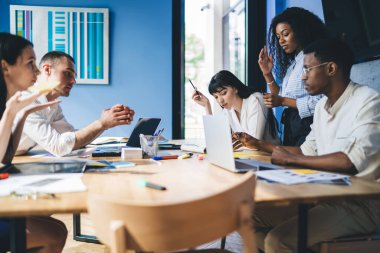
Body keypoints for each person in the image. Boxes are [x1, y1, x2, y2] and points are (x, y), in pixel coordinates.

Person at [235, 38, 380, 253]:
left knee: (278, 240)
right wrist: (258, 144)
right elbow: (305, 151)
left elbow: (350, 162)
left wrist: (292, 159)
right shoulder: (322, 106)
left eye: (308, 69)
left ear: (331, 68)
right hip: (323, 195)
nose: (303, 76)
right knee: (245, 217)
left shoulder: (368, 101)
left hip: (361, 204)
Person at [0, 32, 67, 253]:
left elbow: (5, 158)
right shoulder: (5, 108)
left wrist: (22, 114)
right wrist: (11, 113)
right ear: (5, 67)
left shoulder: (7, 104)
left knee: (58, 228)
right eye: (30, 63)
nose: (37, 71)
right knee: (53, 235)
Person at [16, 51, 135, 157]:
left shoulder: (53, 105)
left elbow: (73, 138)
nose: (73, 81)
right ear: (47, 70)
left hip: (19, 158)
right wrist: (101, 123)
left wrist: (106, 123)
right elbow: (59, 147)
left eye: (74, 76)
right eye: (68, 73)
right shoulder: (26, 101)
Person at [259, 7, 329, 146]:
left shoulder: (314, 59)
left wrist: (283, 100)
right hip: (292, 125)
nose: (281, 41)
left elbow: (321, 101)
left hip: (308, 124)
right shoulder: (293, 65)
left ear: (300, 30)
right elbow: (281, 96)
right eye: (278, 37)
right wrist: (267, 74)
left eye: (285, 34)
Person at [192, 70, 279, 144]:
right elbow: (216, 141)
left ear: (235, 88)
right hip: (247, 158)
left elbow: (253, 142)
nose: (220, 101)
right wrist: (207, 105)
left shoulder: (255, 100)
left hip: (268, 159)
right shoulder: (228, 110)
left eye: (223, 93)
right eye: (216, 97)